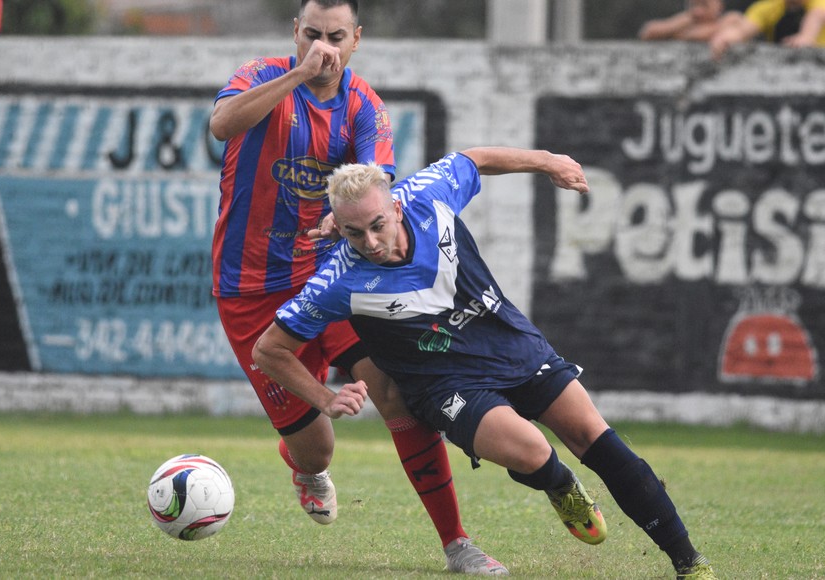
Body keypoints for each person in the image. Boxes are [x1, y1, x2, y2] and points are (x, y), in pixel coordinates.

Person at [253, 147, 718, 579]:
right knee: (536, 452)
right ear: (341, 228)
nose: (371, 242)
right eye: (354, 232)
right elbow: (268, 350)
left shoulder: (426, 195)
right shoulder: (339, 280)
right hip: (443, 381)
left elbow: (475, 158)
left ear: (395, 206)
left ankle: (689, 563)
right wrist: (326, 399)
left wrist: (547, 161)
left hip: (508, 342)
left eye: (378, 224)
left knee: (594, 437)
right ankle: (560, 485)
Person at [209, 0, 506, 575]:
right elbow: (222, 126)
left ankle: (457, 544)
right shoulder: (262, 76)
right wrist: (297, 76)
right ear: (295, 33)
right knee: (318, 446)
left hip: (329, 275)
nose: (324, 47)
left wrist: (347, 217)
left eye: (336, 37)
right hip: (248, 286)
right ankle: (304, 464)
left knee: (392, 392)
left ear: (356, 40)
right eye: (312, 35)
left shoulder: (363, 105)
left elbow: (376, 182)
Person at [710, 0, 825, 58]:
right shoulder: (768, 7)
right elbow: (743, 30)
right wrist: (723, 38)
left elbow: (817, 15)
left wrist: (806, 37)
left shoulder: (822, 1)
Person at [639, 0, 727, 41]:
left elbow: (704, 34)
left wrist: (676, 34)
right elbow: (648, 31)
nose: (697, 12)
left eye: (704, 5)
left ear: (719, 5)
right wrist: (674, 26)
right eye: (693, 5)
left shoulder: (729, 20)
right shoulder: (686, 20)